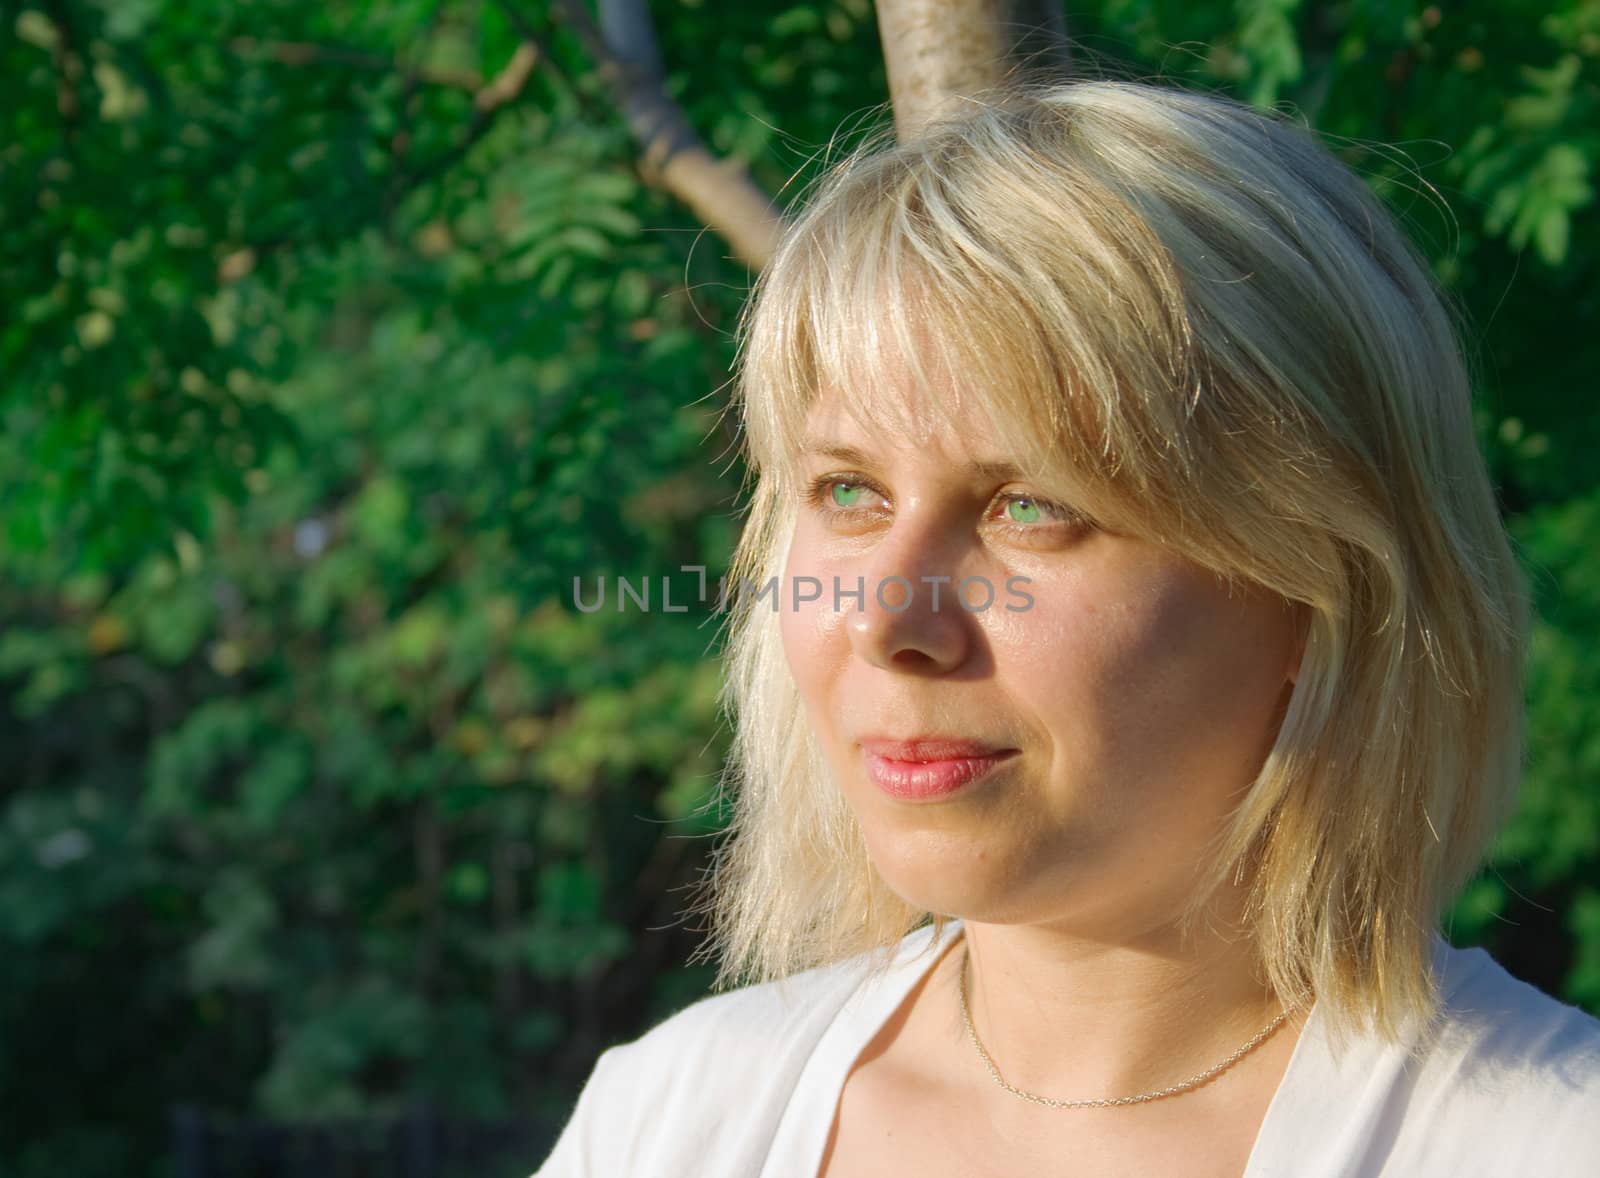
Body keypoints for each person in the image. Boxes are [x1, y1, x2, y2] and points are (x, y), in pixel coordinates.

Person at [534, 78, 1600, 1177]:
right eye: (849, 491)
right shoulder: (673, 1118)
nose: (883, 618)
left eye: (1029, 507)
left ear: (1316, 585)